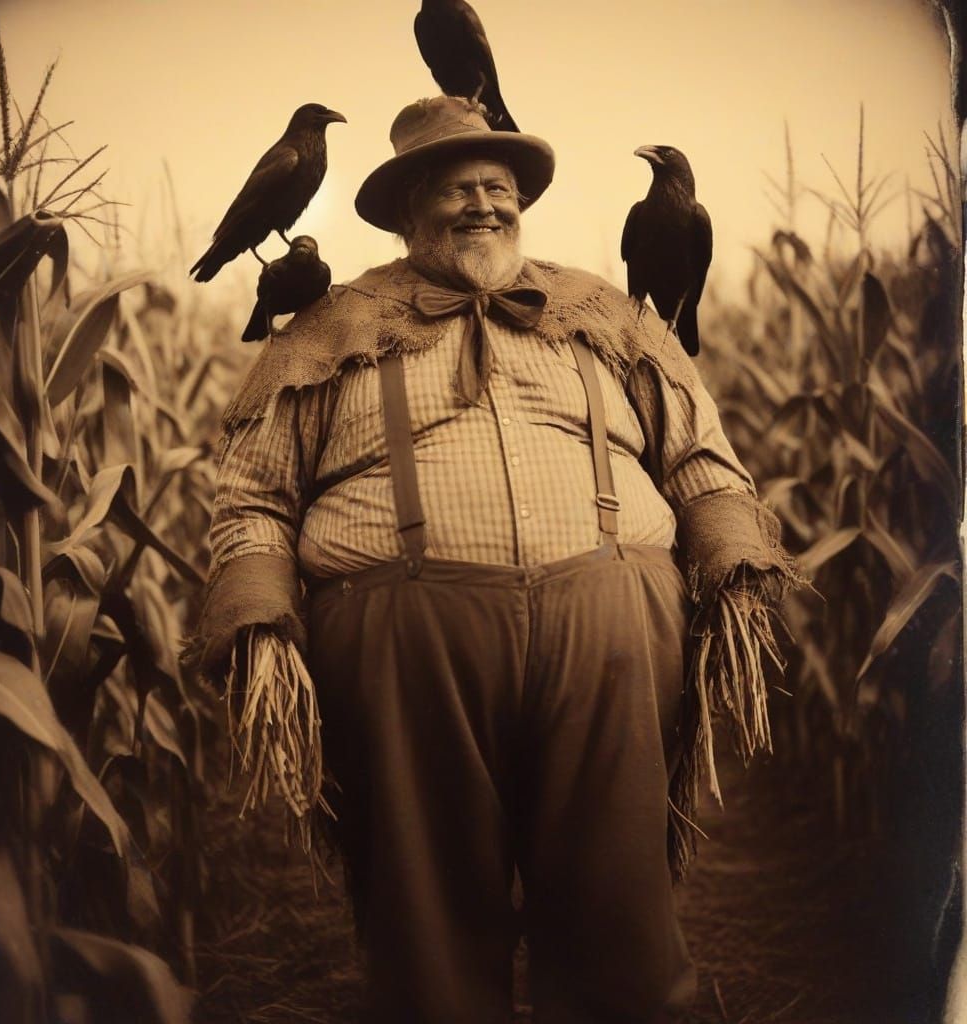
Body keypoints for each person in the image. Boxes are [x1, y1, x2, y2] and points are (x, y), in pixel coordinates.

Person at [193, 95, 798, 1024]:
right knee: (429, 924)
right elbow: (253, 498)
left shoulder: (606, 314)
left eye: (499, 188)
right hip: (406, 655)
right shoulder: (327, 328)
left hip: (611, 643)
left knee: (620, 920)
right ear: (404, 212)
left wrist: (735, 561)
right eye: (455, 189)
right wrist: (261, 615)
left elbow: (700, 457)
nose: (483, 204)